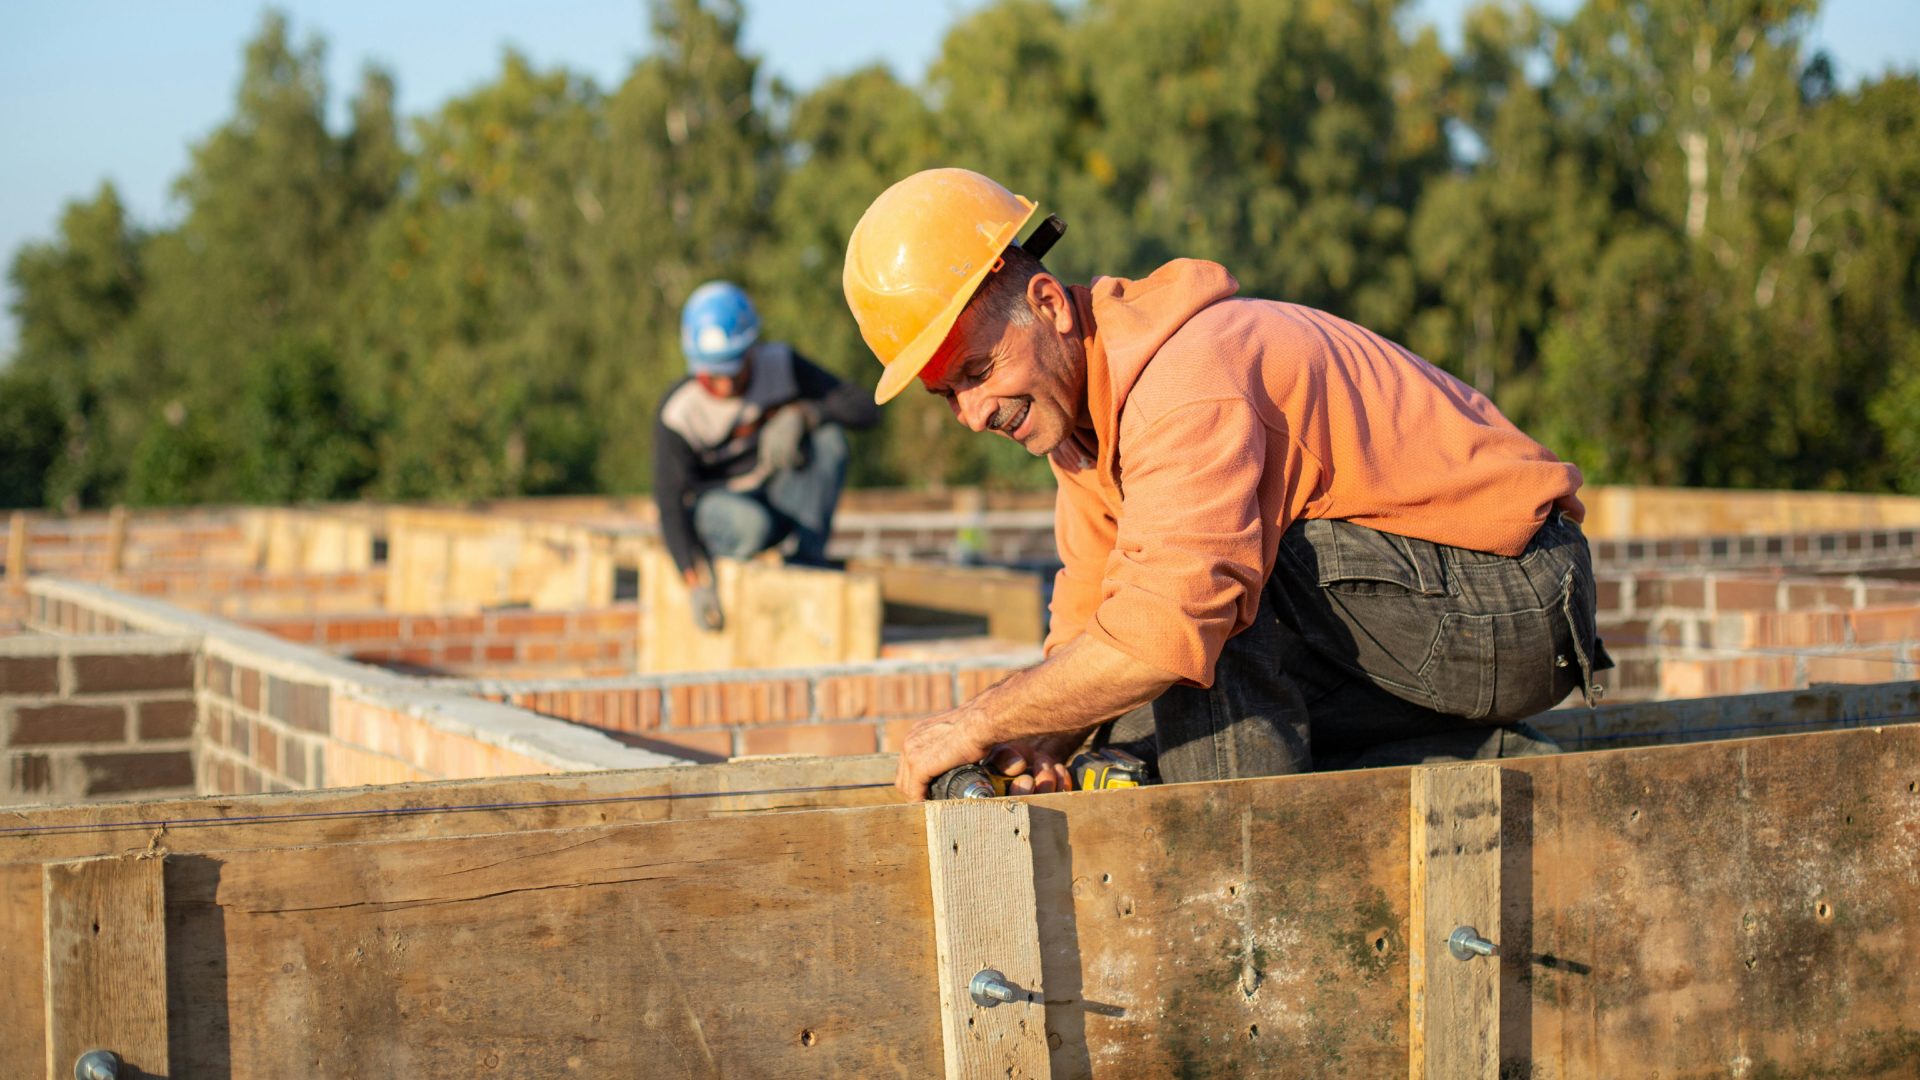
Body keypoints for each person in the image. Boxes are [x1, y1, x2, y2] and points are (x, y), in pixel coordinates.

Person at [841, 169, 1610, 800]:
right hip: (1426, 625)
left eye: (978, 373)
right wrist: (1038, 738)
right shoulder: (1084, 435)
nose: (974, 414)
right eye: (948, 397)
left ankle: (1249, 893)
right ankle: (1480, 760)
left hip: (1518, 599)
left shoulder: (1185, 382)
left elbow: (1161, 628)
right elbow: (1085, 628)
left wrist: (975, 721)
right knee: (1132, 716)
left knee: (1198, 613)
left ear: (1046, 306)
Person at [653, 281, 879, 631]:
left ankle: (806, 561)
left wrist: (806, 414)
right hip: (722, 509)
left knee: (828, 439)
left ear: (751, 350)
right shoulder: (679, 413)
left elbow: (865, 408)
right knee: (749, 525)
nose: (726, 385)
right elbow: (669, 504)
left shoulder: (781, 365)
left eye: (734, 369)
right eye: (715, 374)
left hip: (776, 493)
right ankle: (734, 559)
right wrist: (693, 581)